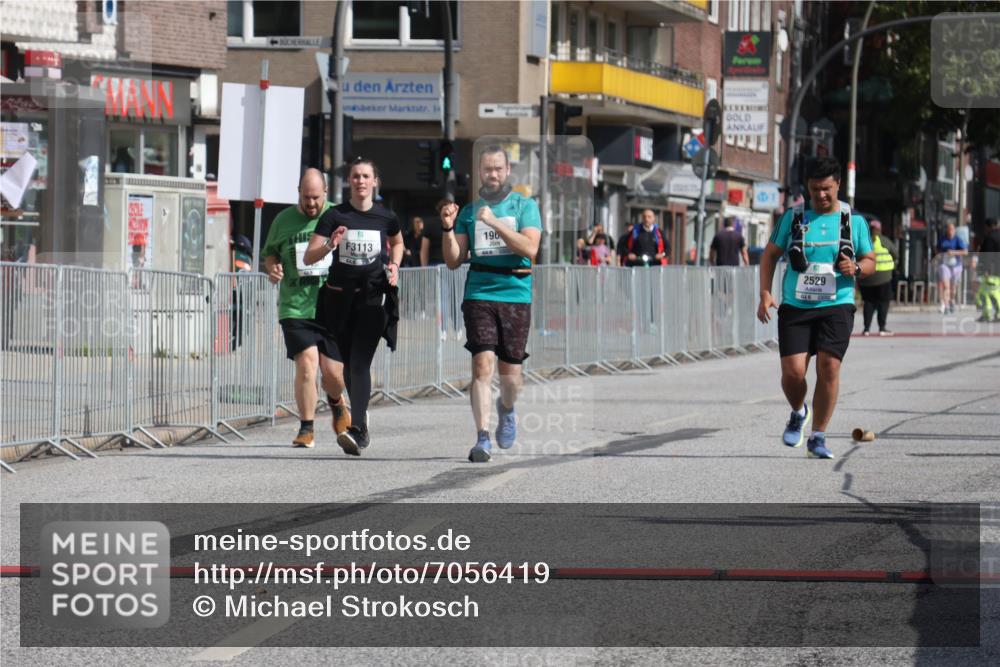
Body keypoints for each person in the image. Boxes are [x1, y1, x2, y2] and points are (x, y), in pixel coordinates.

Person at [756, 156, 875, 460]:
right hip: (796, 305)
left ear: (838, 185)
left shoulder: (853, 221)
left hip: (837, 304)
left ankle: (818, 436)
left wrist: (857, 268)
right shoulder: (793, 217)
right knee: (793, 374)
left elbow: (870, 261)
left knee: (829, 366)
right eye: (814, 189)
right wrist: (765, 293)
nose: (820, 195)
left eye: (826, 189)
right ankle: (798, 411)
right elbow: (770, 255)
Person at [440, 145, 542, 462]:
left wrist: (496, 222)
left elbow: (530, 247)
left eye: (498, 168)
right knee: (482, 366)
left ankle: (507, 408)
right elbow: (454, 260)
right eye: (487, 169)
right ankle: (482, 437)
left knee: (511, 376)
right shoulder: (469, 212)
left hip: (514, 293)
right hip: (479, 293)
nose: (492, 174)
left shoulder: (525, 206)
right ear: (479, 173)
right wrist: (446, 227)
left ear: (508, 171)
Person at [303, 157, 404, 456]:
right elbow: (309, 256)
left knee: (360, 362)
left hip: (372, 299)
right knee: (344, 366)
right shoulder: (334, 216)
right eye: (356, 176)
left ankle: (357, 429)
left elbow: (398, 242)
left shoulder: (386, 217)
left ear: (375, 182)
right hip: (337, 299)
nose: (360, 181)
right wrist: (329, 246)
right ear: (350, 181)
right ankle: (360, 417)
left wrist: (395, 265)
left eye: (366, 176)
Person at [262, 168, 343, 448]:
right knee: (307, 365)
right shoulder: (283, 220)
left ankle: (336, 400)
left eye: (316, 198)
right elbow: (269, 252)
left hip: (331, 304)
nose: (311, 204)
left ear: (326, 194)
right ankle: (306, 427)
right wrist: (273, 268)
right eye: (306, 197)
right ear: (298, 192)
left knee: (333, 374)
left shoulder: (338, 216)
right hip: (295, 307)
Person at [858, 218, 898, 336]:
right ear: (880, 229)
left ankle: (866, 329)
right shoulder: (885, 241)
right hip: (884, 278)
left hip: (866, 278)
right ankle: (882, 328)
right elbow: (895, 253)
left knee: (868, 303)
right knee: (883, 303)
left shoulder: (863, 241)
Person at [936, 222, 968, 314]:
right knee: (946, 287)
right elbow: (937, 250)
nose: (950, 231)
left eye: (952, 229)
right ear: (947, 230)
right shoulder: (942, 239)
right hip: (945, 265)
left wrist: (954, 253)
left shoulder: (958, 240)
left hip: (956, 265)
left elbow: (965, 252)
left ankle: (952, 301)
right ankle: (946, 306)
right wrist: (939, 256)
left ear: (954, 230)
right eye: (949, 229)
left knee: (953, 288)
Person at [975, 217, 1000, 322]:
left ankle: (988, 314)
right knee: (995, 292)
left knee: (986, 292)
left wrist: (985, 269)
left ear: (988, 226)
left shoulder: (990, 238)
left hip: (991, 270)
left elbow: (988, 255)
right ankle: (995, 314)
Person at [420, 202, 449, 267]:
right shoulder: (431, 225)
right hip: (436, 263)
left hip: (437, 263)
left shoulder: (430, 224)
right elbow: (424, 249)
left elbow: (424, 249)